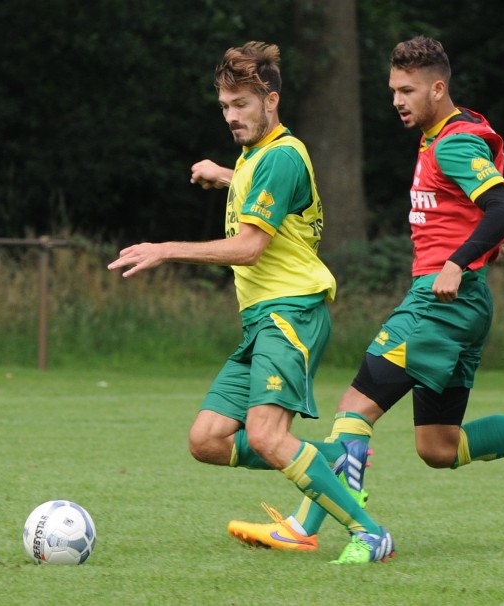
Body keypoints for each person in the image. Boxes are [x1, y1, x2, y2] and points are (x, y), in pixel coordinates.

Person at [226, 35, 504, 552]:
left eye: (407, 90)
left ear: (438, 86)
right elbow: (488, 195)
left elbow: (503, 210)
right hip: (464, 305)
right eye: (392, 91)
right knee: (439, 446)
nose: (397, 101)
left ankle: (312, 531)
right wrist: (231, 176)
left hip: (442, 301)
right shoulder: (446, 132)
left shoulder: (451, 141)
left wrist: (456, 262)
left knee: (354, 409)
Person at [107, 41, 394, 565]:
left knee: (265, 435)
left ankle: (370, 533)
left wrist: (166, 248)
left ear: (272, 101)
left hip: (291, 313)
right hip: (260, 322)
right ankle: (335, 458)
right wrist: (223, 174)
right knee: (208, 440)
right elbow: (255, 182)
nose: (232, 116)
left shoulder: (282, 156)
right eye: (225, 106)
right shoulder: (255, 158)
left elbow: (250, 247)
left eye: (242, 104)